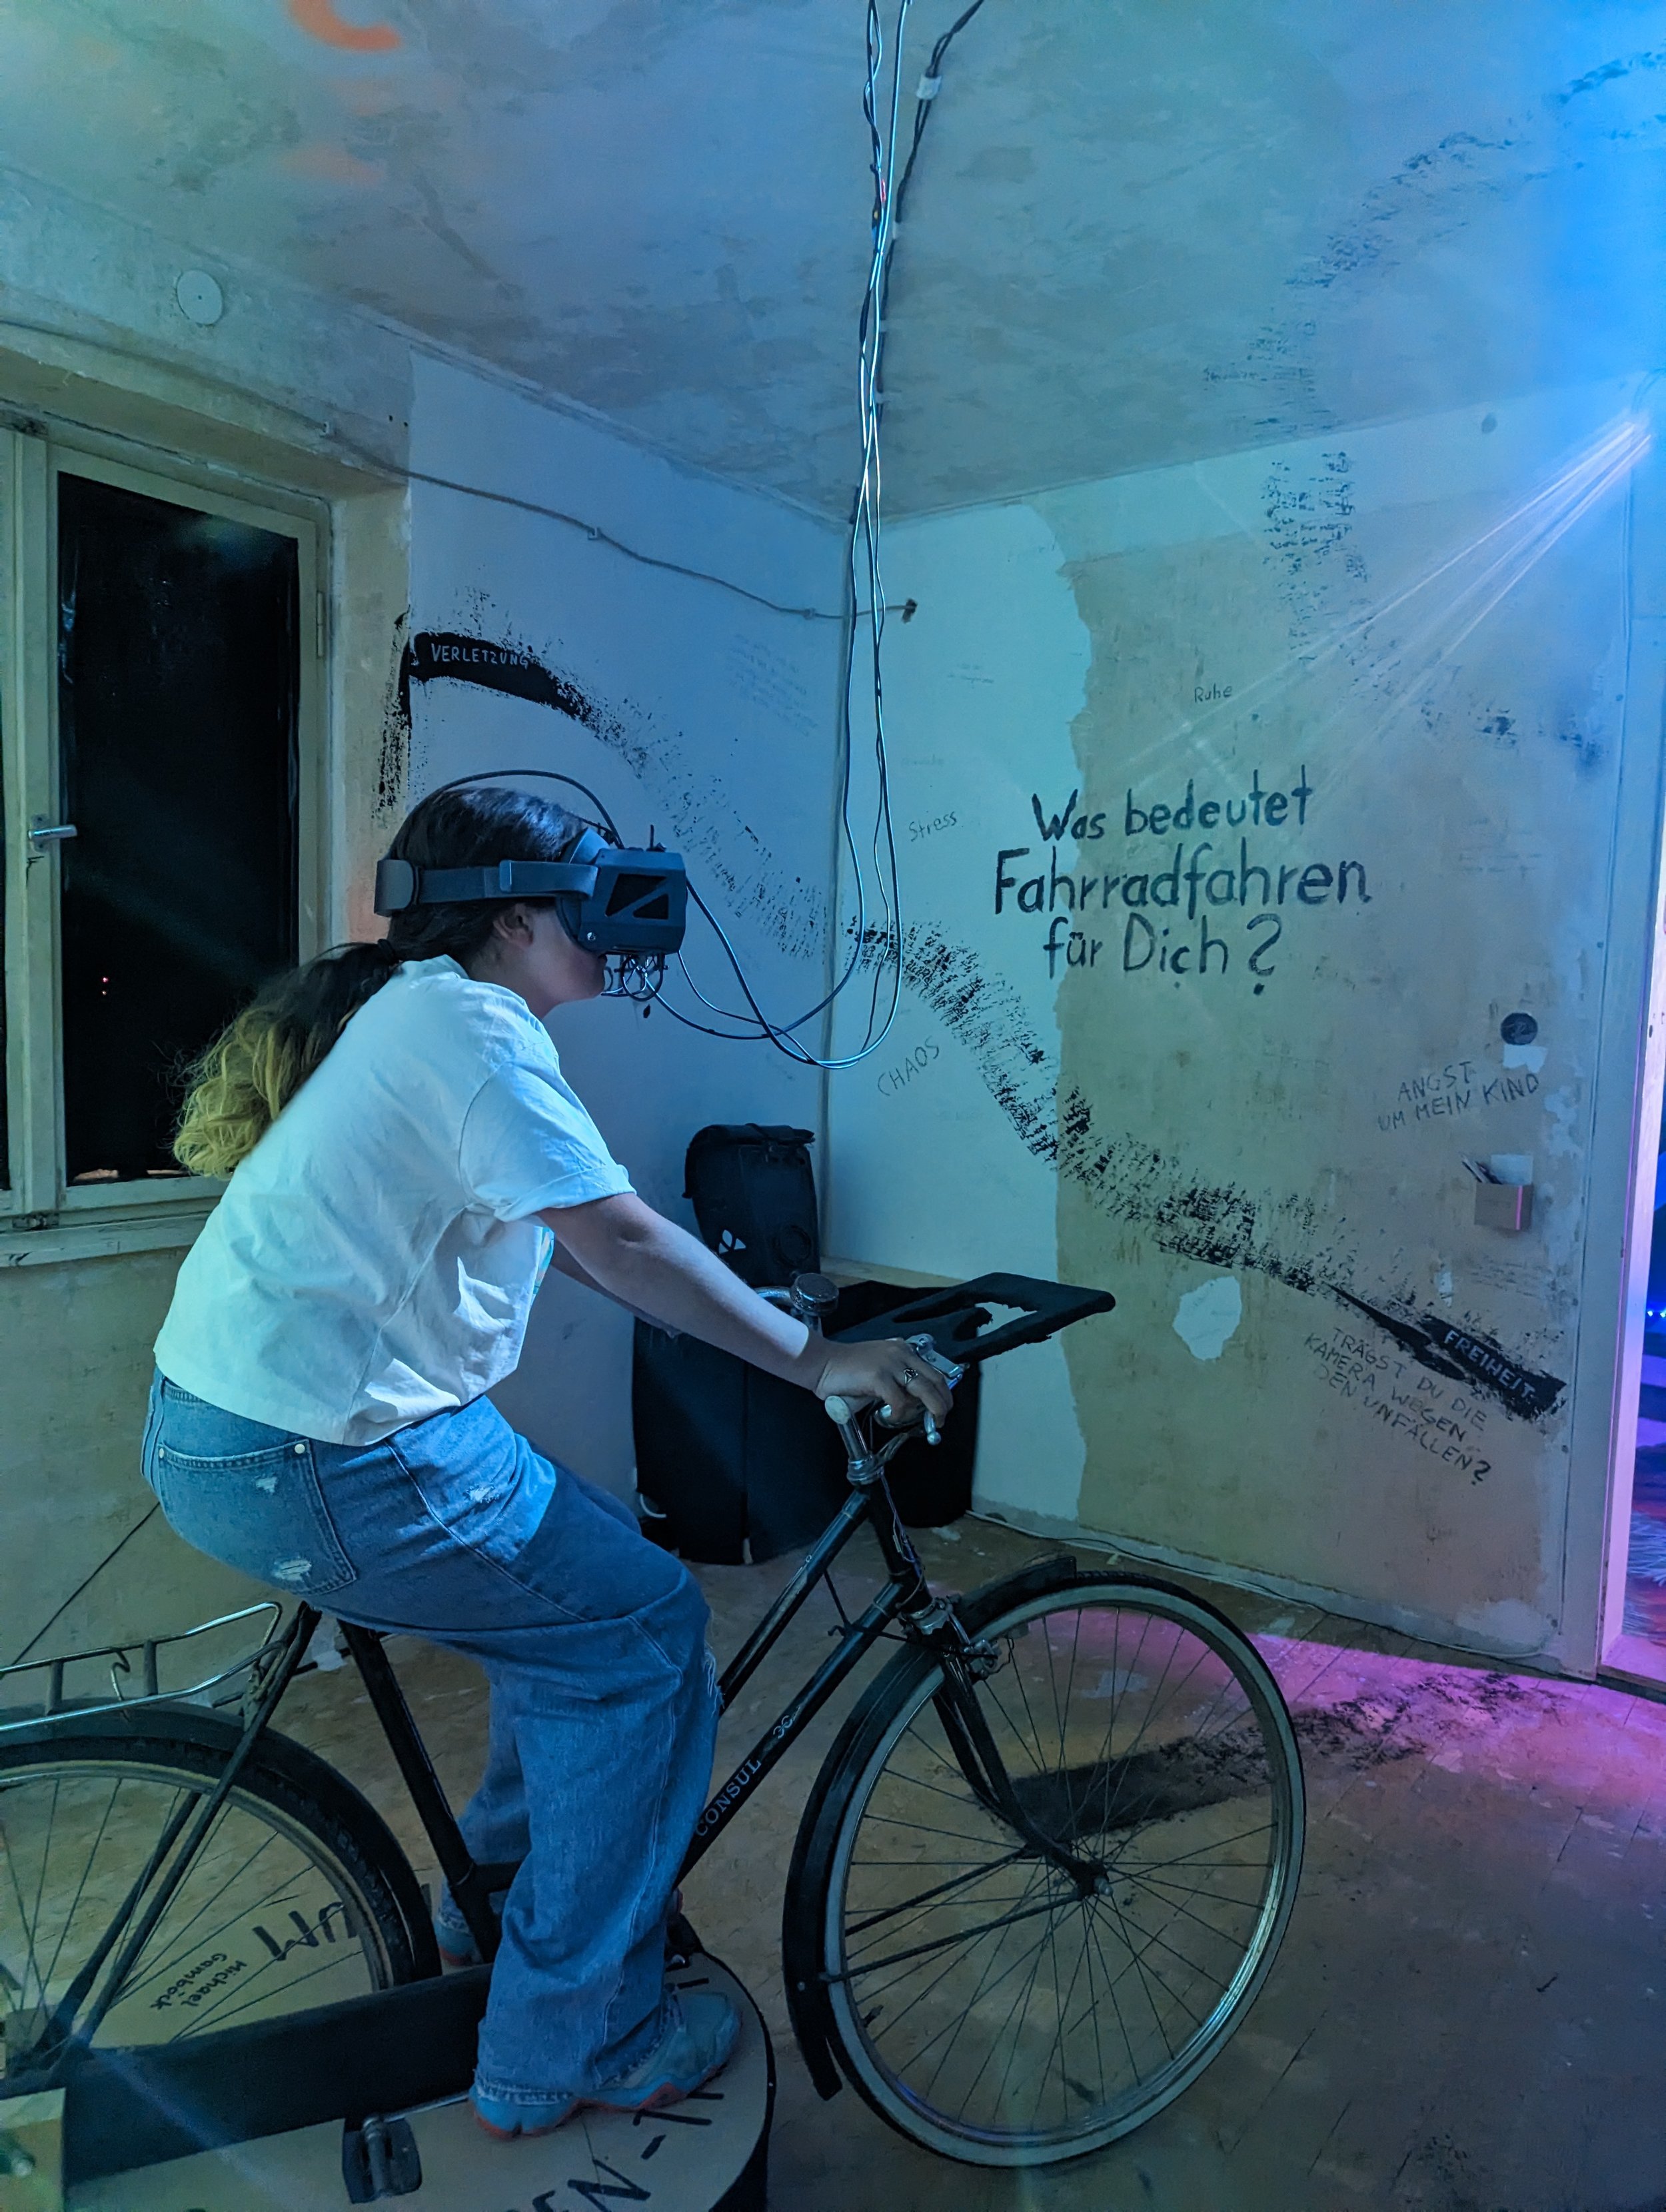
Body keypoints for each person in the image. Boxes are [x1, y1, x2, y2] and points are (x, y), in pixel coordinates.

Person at [143, 784, 950, 2139]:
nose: (614, 919)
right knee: (640, 1636)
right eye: (590, 893)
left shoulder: (414, 1015)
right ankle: (574, 2041)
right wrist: (816, 1360)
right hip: (324, 1453)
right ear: (517, 915)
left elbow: (555, 1240)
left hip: (254, 1428)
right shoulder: (470, 1032)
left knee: (583, 1577)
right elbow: (618, 1245)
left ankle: (500, 1903)